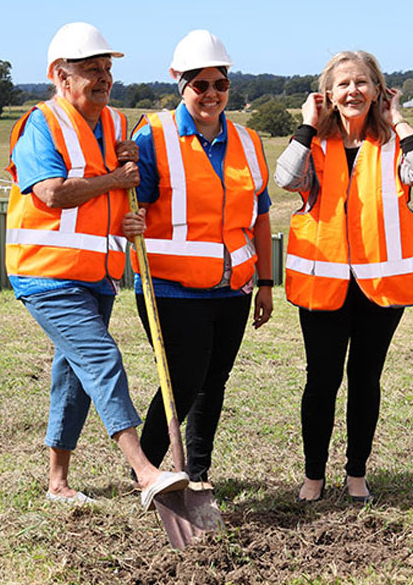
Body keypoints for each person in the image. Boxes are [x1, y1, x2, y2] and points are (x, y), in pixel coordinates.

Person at [5, 22, 189, 510]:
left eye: (107, 70)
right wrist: (114, 178)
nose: (104, 79)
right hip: (47, 273)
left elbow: (117, 195)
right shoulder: (40, 123)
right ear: (61, 77)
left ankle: (57, 481)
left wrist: (129, 217)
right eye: (92, 70)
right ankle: (146, 471)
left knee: (74, 374)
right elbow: (49, 193)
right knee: (102, 359)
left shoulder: (114, 124)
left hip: (98, 275)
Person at [274, 50, 413, 503]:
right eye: (343, 84)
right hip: (323, 286)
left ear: (378, 90)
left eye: (362, 83)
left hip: (381, 288)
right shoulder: (314, 146)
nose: (353, 91)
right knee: (321, 382)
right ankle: (313, 477)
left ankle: (356, 475)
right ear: (328, 94)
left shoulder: (393, 146)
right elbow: (285, 178)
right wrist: (307, 124)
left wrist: (399, 119)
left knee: (365, 379)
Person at [123, 30, 274, 487]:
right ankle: (145, 472)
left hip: (233, 289)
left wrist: (266, 283)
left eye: (220, 84)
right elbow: (134, 207)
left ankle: (197, 472)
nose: (211, 94)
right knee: (183, 383)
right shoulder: (154, 136)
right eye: (200, 84)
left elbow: (260, 219)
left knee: (214, 382)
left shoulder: (248, 141)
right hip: (170, 288)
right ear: (179, 83)